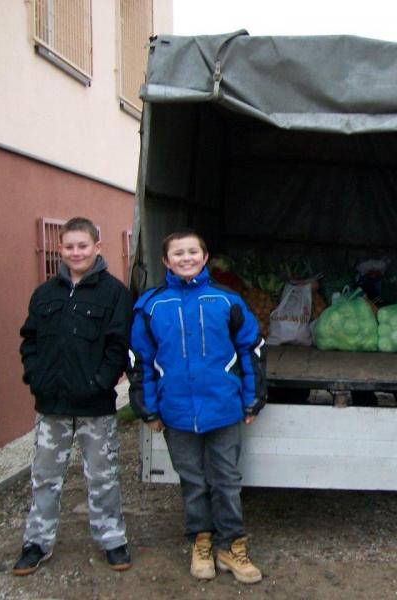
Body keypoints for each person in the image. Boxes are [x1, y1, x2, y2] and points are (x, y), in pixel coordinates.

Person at [128, 230, 266, 584]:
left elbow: (251, 350)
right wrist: (149, 409)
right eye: (178, 253)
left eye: (193, 252)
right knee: (193, 481)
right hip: (175, 412)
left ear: (205, 257)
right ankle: (201, 541)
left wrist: (252, 398)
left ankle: (231, 545)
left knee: (227, 481)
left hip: (223, 409)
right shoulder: (150, 305)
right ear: (166, 260)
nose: (186, 258)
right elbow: (141, 361)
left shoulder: (227, 301)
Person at [14, 217, 132, 575]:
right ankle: (37, 542)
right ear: (60, 249)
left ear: (98, 247)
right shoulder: (44, 294)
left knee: (102, 475)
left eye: (83, 245)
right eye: (69, 246)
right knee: (44, 476)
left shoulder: (114, 293)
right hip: (51, 405)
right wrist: (35, 378)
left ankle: (112, 539)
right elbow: (29, 340)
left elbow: (118, 346)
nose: (76, 252)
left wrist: (100, 382)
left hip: (95, 406)